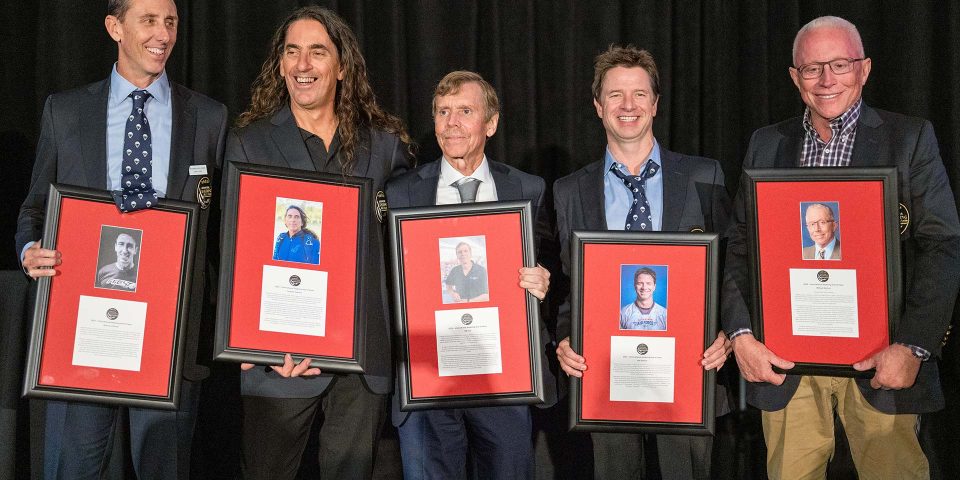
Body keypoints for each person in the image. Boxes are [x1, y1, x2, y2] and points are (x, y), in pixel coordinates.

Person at [721, 16, 960, 479]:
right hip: (788, 366)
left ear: (864, 69)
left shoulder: (909, 138)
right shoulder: (767, 143)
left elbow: (942, 245)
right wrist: (740, 334)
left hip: (881, 360)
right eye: (812, 68)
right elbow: (739, 246)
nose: (826, 79)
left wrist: (914, 345)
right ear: (795, 77)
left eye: (840, 64)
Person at [15, 0, 227, 477]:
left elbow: (221, 239)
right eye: (148, 20)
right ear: (114, 27)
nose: (163, 34)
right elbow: (33, 211)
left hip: (168, 343)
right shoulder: (65, 111)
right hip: (83, 338)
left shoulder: (209, 118)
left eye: (170, 21)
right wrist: (30, 251)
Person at [224, 6, 412, 479]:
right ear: (281, 65)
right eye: (292, 52)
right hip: (277, 360)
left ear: (342, 66)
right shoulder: (250, 143)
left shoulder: (385, 147)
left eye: (317, 52)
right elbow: (232, 246)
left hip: (361, 360)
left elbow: (411, 248)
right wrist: (243, 338)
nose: (303, 65)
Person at [553, 46, 731, 480]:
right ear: (598, 106)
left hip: (690, 371)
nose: (627, 106)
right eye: (615, 95)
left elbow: (731, 269)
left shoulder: (703, 177)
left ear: (655, 103)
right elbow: (564, 283)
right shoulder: (569, 191)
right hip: (605, 374)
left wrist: (729, 333)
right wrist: (562, 338)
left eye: (638, 94)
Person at [386, 70, 553, 479]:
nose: (451, 122)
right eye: (443, 112)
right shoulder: (400, 192)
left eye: (465, 111)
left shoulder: (528, 190)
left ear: (490, 123)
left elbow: (553, 267)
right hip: (427, 382)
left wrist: (545, 279)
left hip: (504, 379)